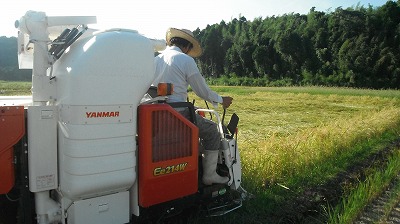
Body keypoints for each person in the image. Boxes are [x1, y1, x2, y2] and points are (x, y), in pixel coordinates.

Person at [152, 28, 233, 185]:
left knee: (197, 115)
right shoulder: (185, 60)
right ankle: (209, 175)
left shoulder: (156, 60)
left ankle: (197, 161)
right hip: (177, 113)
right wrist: (221, 100)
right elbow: (202, 91)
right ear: (187, 46)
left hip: (156, 113)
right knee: (212, 131)